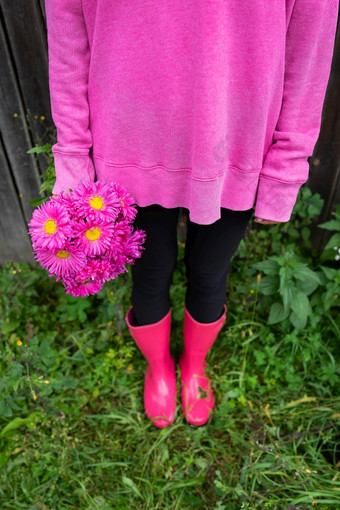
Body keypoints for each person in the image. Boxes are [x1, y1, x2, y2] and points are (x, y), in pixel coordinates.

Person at [45, 0, 338, 428]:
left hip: (234, 142)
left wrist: (285, 170)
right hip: (127, 142)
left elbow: (309, 47)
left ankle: (194, 363)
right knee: (149, 273)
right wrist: (72, 155)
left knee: (209, 272)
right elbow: (68, 32)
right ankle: (159, 365)